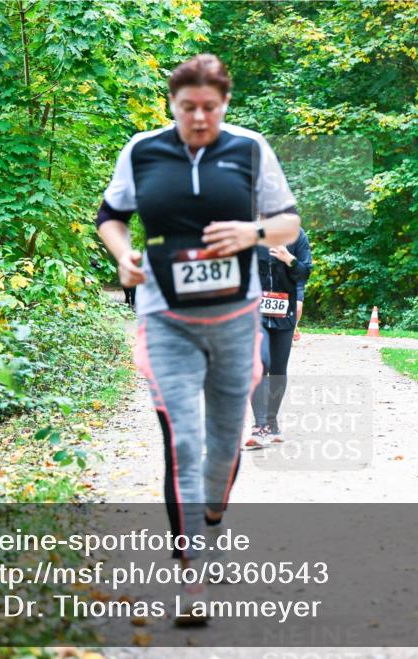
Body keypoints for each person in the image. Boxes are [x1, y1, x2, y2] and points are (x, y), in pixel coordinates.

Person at [94, 54, 300, 625]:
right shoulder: (142, 150)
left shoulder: (250, 149)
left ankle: (212, 518)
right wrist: (123, 255)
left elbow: (288, 224)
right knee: (183, 443)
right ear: (172, 104)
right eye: (189, 108)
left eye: (211, 107)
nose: (200, 118)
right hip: (166, 318)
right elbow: (110, 215)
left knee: (222, 444)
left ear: (225, 104)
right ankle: (193, 577)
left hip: (235, 318)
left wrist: (251, 231)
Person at [247, 228, 312, 448]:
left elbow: (304, 273)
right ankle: (259, 424)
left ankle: (272, 422)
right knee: (259, 362)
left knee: (277, 369)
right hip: (255, 312)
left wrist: (289, 259)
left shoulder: (297, 236)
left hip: (285, 311)